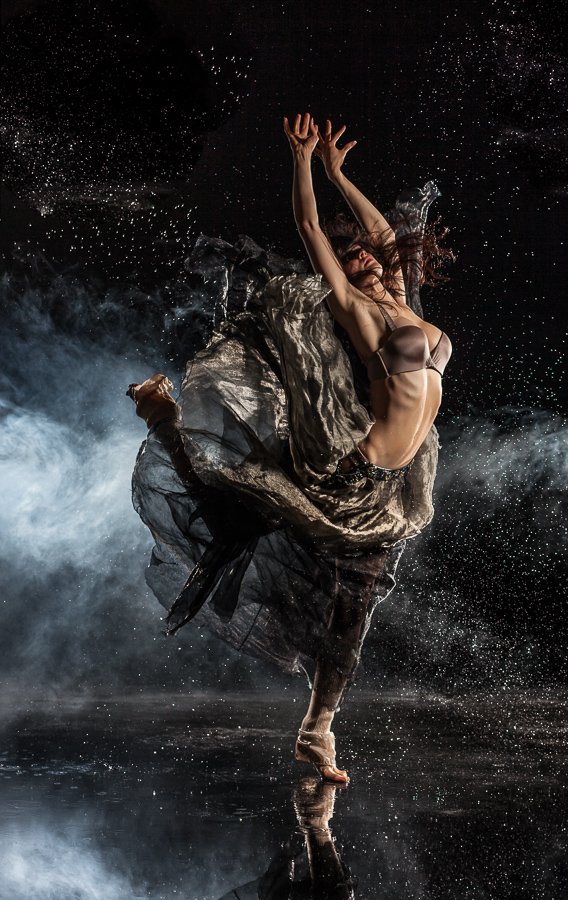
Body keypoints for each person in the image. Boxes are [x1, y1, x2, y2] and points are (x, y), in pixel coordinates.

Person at [129, 114, 453, 784]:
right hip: (354, 479)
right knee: (244, 517)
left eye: (366, 251)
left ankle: (316, 731)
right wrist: (303, 162)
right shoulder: (358, 312)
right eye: (353, 255)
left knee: (350, 611)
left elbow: (390, 239)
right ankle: (166, 424)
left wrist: (340, 173)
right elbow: (309, 228)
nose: (365, 255)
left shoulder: (401, 303)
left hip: (392, 489)